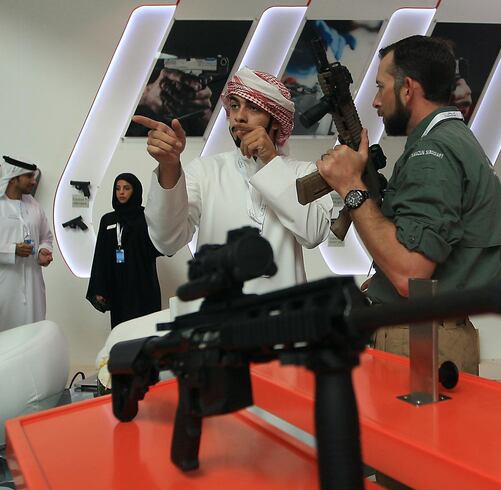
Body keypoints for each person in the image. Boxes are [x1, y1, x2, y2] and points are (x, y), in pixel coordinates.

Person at [315, 35, 501, 375]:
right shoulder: (456, 138)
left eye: (381, 87)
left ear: (407, 88)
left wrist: (350, 186)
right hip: (436, 336)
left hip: (420, 340)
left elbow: (410, 275)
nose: (377, 101)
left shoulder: (432, 155)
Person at [134, 67, 334, 294]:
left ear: (276, 121)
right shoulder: (205, 170)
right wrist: (169, 167)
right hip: (220, 318)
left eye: (253, 107)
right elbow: (166, 241)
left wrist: (269, 160)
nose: (239, 116)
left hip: (285, 317)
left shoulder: (303, 172)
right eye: (235, 106)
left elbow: (314, 233)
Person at [86, 173, 163, 327]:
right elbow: (101, 255)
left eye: (126, 188)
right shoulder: (107, 220)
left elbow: (159, 246)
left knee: (145, 328)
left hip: (143, 282)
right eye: (118, 188)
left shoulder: (146, 217)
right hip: (118, 285)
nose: (121, 192)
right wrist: (99, 288)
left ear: (135, 191)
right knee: (122, 329)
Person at [0, 156, 54, 332]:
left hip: (33, 285)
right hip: (5, 284)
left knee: (32, 332)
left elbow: (46, 237)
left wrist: (42, 251)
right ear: (14, 178)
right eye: (29, 177)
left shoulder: (34, 205)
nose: (33, 181)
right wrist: (12, 250)